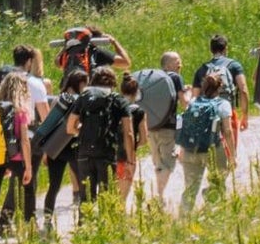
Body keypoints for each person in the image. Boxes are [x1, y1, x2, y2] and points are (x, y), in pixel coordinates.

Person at [0, 70, 34, 235]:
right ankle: (30, 225)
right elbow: (24, 141)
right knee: (28, 190)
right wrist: (28, 167)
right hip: (16, 156)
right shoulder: (21, 111)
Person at [174, 69, 234, 214]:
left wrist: (182, 149)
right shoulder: (223, 104)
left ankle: (183, 220)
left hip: (190, 150)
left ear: (203, 86)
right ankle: (212, 212)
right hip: (213, 150)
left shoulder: (194, 102)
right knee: (217, 183)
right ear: (220, 87)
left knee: (190, 188)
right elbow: (227, 131)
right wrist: (232, 155)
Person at [71, 68, 132, 204]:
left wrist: (83, 132)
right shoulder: (118, 100)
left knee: (86, 199)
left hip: (84, 153)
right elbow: (128, 133)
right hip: (107, 153)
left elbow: (70, 127)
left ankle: (84, 225)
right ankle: (105, 225)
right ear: (113, 82)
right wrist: (130, 159)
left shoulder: (84, 97)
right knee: (107, 198)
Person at [134, 52, 185, 203]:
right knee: (168, 163)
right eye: (177, 61)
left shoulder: (154, 80)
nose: (180, 63)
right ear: (168, 65)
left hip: (151, 127)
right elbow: (184, 103)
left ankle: (159, 196)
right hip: (168, 128)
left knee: (159, 164)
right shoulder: (175, 77)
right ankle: (159, 196)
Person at [37, 68, 87, 222]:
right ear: (80, 83)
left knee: (54, 186)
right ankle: (83, 219)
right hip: (74, 147)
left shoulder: (59, 99)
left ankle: (47, 219)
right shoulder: (81, 101)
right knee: (83, 184)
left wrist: (46, 152)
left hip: (56, 147)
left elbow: (48, 124)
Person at [198, 34, 249, 131]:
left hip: (208, 114)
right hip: (229, 112)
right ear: (226, 48)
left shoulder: (202, 69)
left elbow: (195, 96)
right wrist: (245, 116)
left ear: (211, 50)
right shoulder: (234, 66)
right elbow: (243, 90)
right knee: (230, 144)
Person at [117, 73, 147, 207]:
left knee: (108, 194)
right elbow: (144, 139)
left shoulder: (112, 107)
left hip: (108, 155)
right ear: (136, 92)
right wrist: (134, 146)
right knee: (122, 197)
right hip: (127, 157)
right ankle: (119, 222)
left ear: (121, 90)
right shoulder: (139, 111)